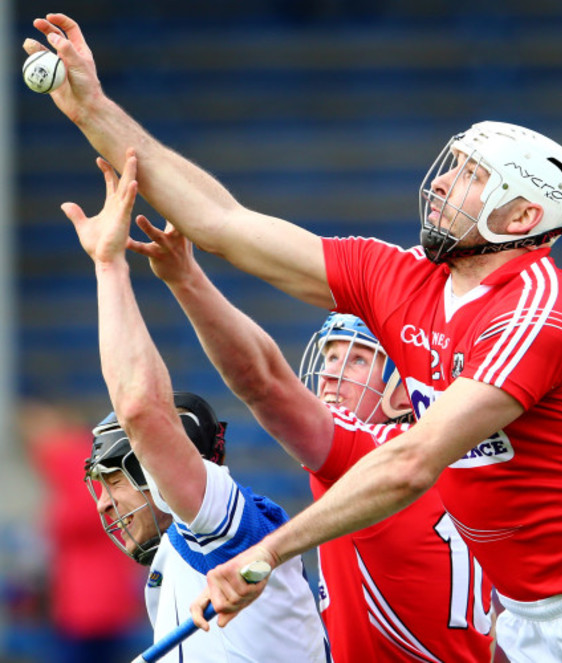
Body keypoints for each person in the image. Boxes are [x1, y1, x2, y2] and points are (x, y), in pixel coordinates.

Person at [25, 14, 562, 661]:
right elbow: (222, 222)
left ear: (522, 216)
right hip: (522, 616)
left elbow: (411, 463)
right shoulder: (404, 277)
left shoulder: (542, 309)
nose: (439, 183)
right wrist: (94, 110)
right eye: (450, 166)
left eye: (468, 175)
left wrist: (267, 552)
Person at [126, 218, 495, 661]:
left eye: (357, 360)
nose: (331, 375)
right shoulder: (490, 464)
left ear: (405, 390)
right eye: (331, 355)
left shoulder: (368, 453)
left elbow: (261, 381)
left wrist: (187, 279)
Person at [61, 152, 330, 663]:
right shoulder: (174, 565)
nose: (102, 503)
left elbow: (142, 410)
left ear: (157, 466)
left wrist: (109, 264)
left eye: (114, 480)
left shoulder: (226, 534)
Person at [19, 398, 146, 663]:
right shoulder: (86, 459)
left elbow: (79, 515)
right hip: (102, 594)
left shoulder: (67, 459)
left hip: (87, 601)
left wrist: (48, 522)